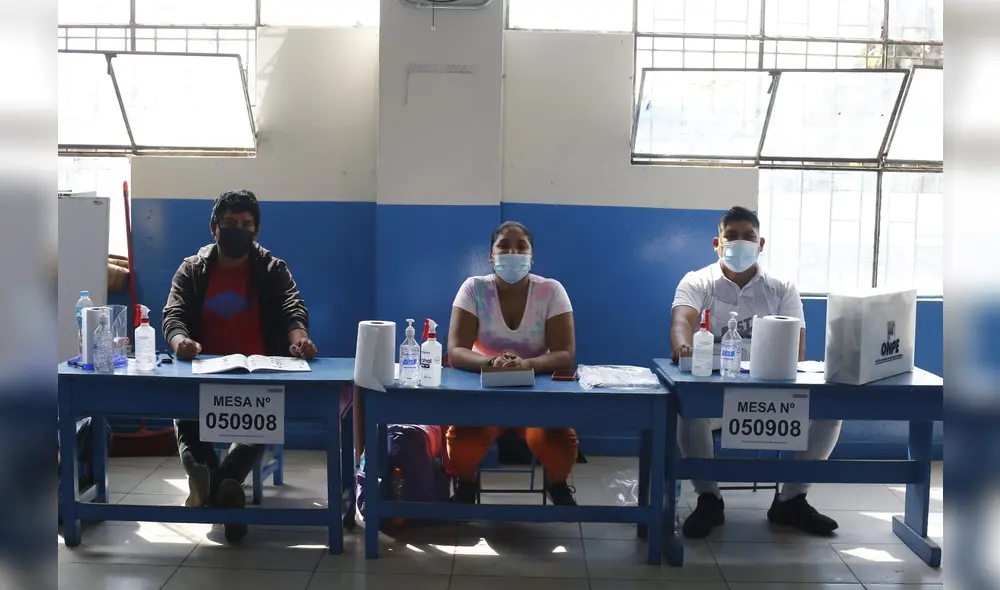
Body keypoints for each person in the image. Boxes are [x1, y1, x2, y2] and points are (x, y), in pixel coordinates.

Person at [669, 206, 842, 539]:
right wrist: (682, 345)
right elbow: (681, 322)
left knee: (831, 413)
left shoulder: (781, 288)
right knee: (688, 415)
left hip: (776, 399)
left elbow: (797, 349)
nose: (739, 243)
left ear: (760, 243)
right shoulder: (697, 281)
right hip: (717, 400)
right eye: (730, 236)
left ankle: (791, 500)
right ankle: (709, 499)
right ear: (716, 244)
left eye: (747, 236)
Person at [162, 189, 317, 543]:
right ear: (214, 227)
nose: (238, 230)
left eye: (247, 225)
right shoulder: (193, 269)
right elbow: (174, 315)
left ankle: (213, 482)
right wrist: (180, 342)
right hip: (203, 371)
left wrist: (299, 339)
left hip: (258, 374)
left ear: (257, 231)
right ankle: (225, 486)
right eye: (230, 223)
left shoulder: (271, 269)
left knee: (261, 413)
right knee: (183, 409)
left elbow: (293, 308)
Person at [446, 221, 579, 505]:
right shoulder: (474, 289)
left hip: (537, 397)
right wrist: (492, 362)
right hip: (485, 394)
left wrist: (526, 365)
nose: (513, 252)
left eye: (522, 247)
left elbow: (565, 354)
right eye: (504, 246)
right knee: (462, 445)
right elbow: (456, 350)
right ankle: (466, 483)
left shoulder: (551, 291)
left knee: (559, 445)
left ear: (532, 256)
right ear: (491, 256)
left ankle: (557, 483)